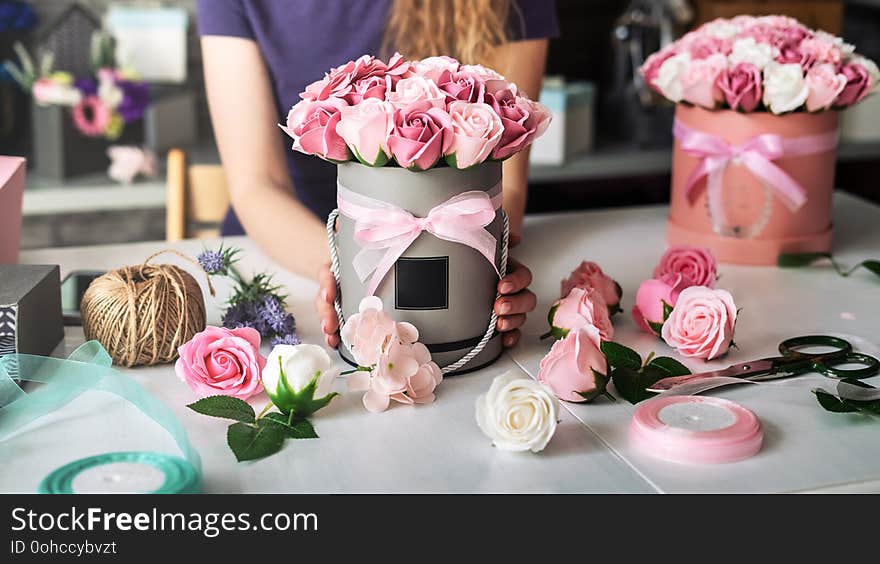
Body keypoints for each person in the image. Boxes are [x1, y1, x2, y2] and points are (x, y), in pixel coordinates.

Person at [198, 0, 558, 349]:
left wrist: (480, 268)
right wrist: (344, 271)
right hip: (290, 255)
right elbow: (257, 185)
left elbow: (504, 182)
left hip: (447, 253)